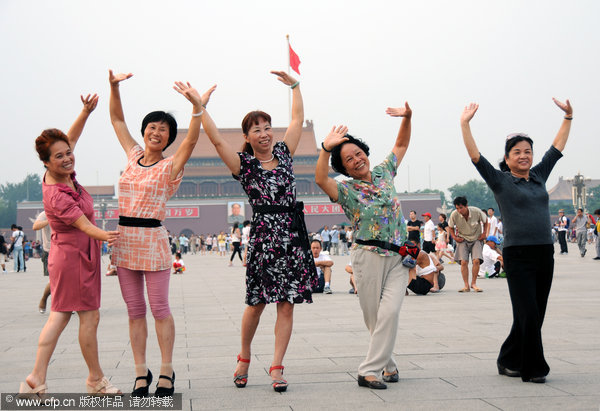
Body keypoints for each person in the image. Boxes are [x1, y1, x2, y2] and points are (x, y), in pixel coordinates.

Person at [200, 70, 317, 392]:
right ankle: (245, 357)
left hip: (292, 236)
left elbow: (297, 119)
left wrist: (295, 86)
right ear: (248, 137)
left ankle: (277, 366)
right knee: (257, 302)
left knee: (287, 302)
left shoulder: (284, 154)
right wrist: (200, 108)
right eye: (257, 130)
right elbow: (214, 139)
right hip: (265, 236)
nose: (264, 134)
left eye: (267, 128)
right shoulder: (244, 165)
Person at [460, 97, 573, 383]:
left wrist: (568, 117)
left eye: (528, 151)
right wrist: (465, 124)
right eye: (517, 152)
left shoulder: (538, 176)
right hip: (517, 254)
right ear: (507, 158)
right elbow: (476, 157)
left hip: (544, 252)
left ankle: (507, 358)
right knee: (528, 312)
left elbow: (556, 149)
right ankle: (533, 368)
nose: (524, 156)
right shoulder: (500, 181)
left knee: (534, 312)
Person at [109, 70, 207, 397]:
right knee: (135, 312)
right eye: (152, 126)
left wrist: (196, 108)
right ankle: (140, 372)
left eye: (163, 130)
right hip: (124, 242)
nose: (156, 132)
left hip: (152, 242)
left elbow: (192, 141)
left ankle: (166, 370)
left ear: (168, 139)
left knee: (159, 309)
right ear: (144, 131)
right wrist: (114, 88)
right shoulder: (132, 155)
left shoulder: (170, 167)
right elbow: (117, 121)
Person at [20, 94, 122, 398]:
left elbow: (71, 138)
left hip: (75, 256)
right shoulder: (57, 195)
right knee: (85, 317)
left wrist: (85, 112)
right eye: (59, 156)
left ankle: (36, 379)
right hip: (73, 258)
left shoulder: (62, 174)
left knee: (61, 316)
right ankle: (94, 380)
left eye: (68, 153)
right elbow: (84, 226)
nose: (67, 158)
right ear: (46, 163)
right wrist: (111, 236)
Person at [315, 101, 414, 390]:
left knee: (390, 312)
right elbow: (320, 178)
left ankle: (368, 371)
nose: (357, 159)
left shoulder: (385, 172)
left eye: (358, 153)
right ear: (343, 167)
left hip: (396, 257)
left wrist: (407, 117)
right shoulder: (345, 190)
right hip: (367, 256)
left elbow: (402, 143)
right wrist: (325, 147)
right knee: (374, 318)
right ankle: (389, 365)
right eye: (349, 159)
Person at [446, 196, 488, 293]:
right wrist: (455, 237)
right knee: (464, 262)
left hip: (476, 238)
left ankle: (473, 283)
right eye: (457, 208)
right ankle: (466, 285)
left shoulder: (476, 211)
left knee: (476, 260)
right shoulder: (454, 214)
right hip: (462, 239)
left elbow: (485, 221)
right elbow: (450, 227)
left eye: (461, 208)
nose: (459, 210)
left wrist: (484, 233)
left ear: (466, 206)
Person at [32, 211, 52, 313]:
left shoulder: (69, 210)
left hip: (67, 250)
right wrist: (50, 220)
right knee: (54, 281)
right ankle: (44, 298)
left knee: (70, 279)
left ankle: (68, 303)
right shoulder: (45, 214)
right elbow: (35, 226)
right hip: (50, 251)